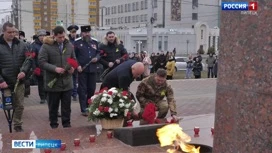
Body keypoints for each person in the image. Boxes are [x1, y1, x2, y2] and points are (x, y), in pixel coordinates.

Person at [38, 26, 75, 129]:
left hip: (67, 82)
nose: (62, 39)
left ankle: (67, 124)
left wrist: (72, 67)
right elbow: (41, 62)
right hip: (53, 82)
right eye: (59, 37)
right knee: (53, 107)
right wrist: (55, 69)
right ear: (54, 36)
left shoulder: (69, 45)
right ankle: (54, 125)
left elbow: (73, 59)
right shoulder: (46, 46)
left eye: (63, 37)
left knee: (66, 107)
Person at [0, 22, 32, 132]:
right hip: (5, 82)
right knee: (8, 105)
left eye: (14, 32)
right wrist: (1, 81)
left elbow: (28, 60)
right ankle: (9, 123)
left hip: (19, 80)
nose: (12, 34)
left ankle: (18, 124)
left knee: (20, 105)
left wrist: (24, 71)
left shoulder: (22, 45)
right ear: (3, 31)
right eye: (9, 32)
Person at [74, 25, 100, 116]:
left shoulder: (95, 42)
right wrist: (77, 66)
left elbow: (98, 53)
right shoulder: (77, 43)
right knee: (82, 89)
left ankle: (89, 106)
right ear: (82, 33)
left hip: (92, 69)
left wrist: (97, 58)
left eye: (88, 32)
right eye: (85, 33)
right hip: (82, 69)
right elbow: (73, 56)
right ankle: (83, 108)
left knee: (91, 89)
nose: (87, 34)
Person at [31, 29, 47, 103]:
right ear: (38, 36)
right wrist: (35, 68)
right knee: (41, 83)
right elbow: (33, 58)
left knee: (47, 82)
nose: (42, 37)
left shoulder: (48, 44)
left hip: (47, 67)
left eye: (44, 35)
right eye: (41, 35)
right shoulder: (34, 45)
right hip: (39, 67)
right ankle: (42, 97)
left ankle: (47, 96)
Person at [67, 25, 80, 101]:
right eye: (72, 32)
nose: (73, 34)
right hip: (71, 62)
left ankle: (75, 94)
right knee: (71, 79)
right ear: (70, 32)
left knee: (76, 79)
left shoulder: (79, 40)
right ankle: (72, 93)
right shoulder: (67, 40)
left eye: (74, 32)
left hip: (79, 62)